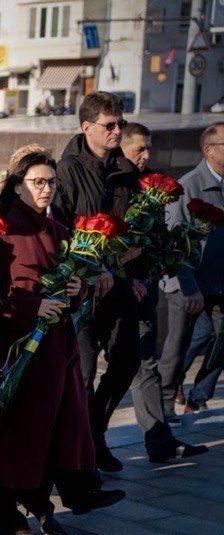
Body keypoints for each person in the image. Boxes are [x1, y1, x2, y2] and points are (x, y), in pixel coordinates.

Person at [0, 148, 126, 535]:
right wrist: (34, 305)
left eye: (51, 182)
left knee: (52, 427)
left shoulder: (55, 230)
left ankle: (21, 511)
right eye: (38, 181)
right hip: (14, 348)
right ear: (18, 185)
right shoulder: (2, 230)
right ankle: (34, 508)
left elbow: (75, 285)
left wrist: (77, 288)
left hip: (54, 348)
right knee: (23, 432)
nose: (47, 189)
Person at [54, 91, 140, 473]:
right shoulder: (68, 169)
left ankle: (95, 431)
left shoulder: (125, 170)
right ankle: (81, 452)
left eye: (120, 123)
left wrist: (137, 264)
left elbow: (138, 223)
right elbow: (60, 229)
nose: (117, 130)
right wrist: (88, 271)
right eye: (109, 124)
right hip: (84, 288)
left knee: (127, 361)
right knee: (83, 372)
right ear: (86, 127)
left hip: (119, 285)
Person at [118, 123, 208, 462]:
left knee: (147, 365)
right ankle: (88, 444)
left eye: (149, 149)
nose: (145, 156)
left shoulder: (152, 185)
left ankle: (159, 441)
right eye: (139, 149)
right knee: (109, 373)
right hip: (110, 291)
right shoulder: (112, 183)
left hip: (144, 291)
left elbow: (160, 237)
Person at [161, 122, 224, 419]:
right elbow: (174, 242)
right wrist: (187, 285)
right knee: (192, 338)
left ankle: (198, 396)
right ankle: (169, 389)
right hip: (194, 283)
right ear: (209, 150)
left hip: (220, 280)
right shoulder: (190, 186)